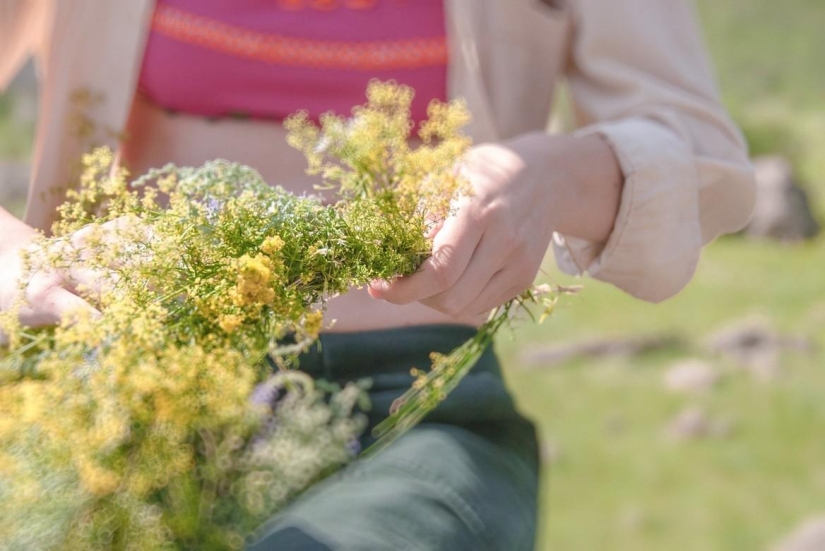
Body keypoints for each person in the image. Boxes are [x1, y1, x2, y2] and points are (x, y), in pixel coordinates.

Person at [0, 0, 755, 549]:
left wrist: (548, 174)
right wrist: (18, 261)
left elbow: (702, 157)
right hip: (115, 384)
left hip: (414, 406)